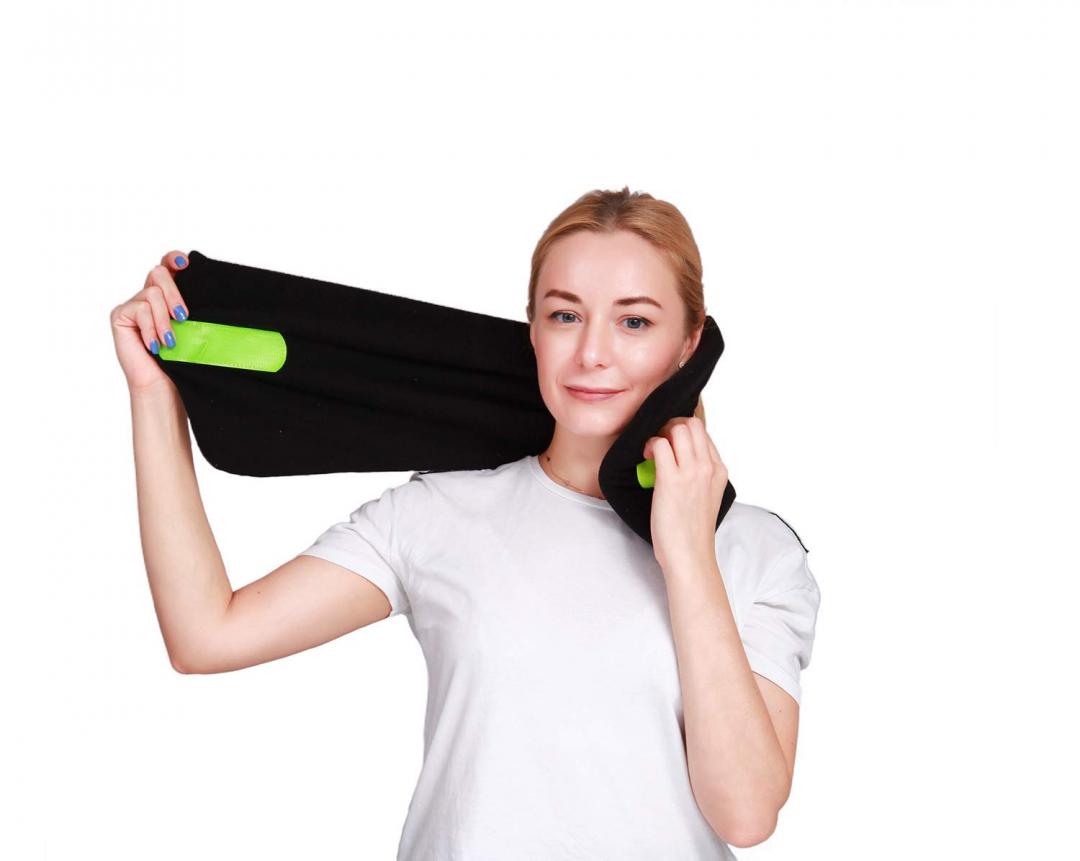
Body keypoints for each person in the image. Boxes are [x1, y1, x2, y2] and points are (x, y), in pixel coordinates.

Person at [110, 186, 821, 860]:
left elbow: (746, 813)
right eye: (565, 315)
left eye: (634, 321)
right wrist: (152, 393)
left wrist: (689, 554)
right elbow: (206, 636)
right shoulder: (439, 511)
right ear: (532, 330)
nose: (592, 353)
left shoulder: (758, 551)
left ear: (689, 344)